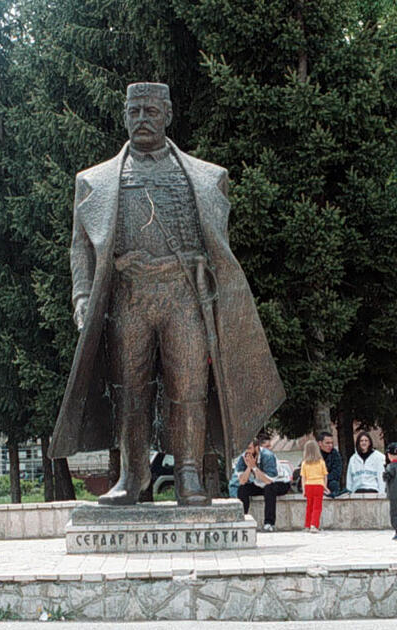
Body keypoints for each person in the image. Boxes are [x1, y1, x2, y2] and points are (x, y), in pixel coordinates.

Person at [48, 82, 285, 505]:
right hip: (129, 298)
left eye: (151, 112)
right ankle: (132, 476)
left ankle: (190, 476)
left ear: (168, 114)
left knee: (189, 389)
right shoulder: (94, 182)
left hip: (183, 296)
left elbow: (218, 251)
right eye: (134, 111)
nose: (142, 119)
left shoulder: (209, 178)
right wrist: (82, 299)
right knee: (129, 391)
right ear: (124, 115)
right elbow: (80, 247)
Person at [234, 433, 290, 531]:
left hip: (280, 482)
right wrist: (249, 467)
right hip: (261, 483)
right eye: (245, 449)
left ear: (256, 447)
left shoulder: (267, 456)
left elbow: (269, 480)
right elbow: (242, 481)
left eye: (249, 448)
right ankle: (242, 519)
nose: (247, 451)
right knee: (242, 489)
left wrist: (254, 468)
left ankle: (269, 524)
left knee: (269, 488)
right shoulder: (243, 457)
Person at [300, 440, 328, 532]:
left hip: (308, 486)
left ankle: (307, 525)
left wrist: (303, 489)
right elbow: (325, 476)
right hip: (318, 485)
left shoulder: (304, 463)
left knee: (309, 506)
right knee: (317, 507)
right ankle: (314, 525)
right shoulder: (321, 462)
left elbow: (303, 478)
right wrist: (325, 487)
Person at [317, 431, 344, 497]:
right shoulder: (314, 455)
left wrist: (325, 479)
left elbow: (337, 472)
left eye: (332, 443)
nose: (330, 445)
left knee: (334, 484)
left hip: (330, 482)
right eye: (327, 443)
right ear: (320, 443)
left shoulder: (335, 455)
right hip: (316, 482)